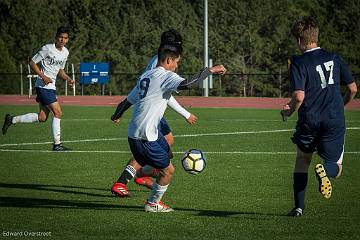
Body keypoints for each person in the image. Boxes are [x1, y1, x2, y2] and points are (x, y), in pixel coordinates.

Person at [114, 42, 225, 212]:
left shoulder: (146, 76)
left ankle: (137, 174)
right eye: (176, 62)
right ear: (168, 61)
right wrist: (210, 70)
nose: (176, 66)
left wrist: (117, 114)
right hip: (145, 136)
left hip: (136, 134)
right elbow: (189, 84)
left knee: (167, 152)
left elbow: (127, 101)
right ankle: (153, 203)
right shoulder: (165, 75)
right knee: (169, 171)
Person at [281, 16, 357, 217]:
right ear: (315, 36)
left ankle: (298, 207)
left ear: (299, 40)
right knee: (336, 168)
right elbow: (353, 89)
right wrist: (341, 106)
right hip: (334, 120)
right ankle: (325, 170)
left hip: (310, 120)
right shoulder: (334, 57)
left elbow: (299, 96)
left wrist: (288, 111)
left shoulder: (297, 61)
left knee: (302, 159)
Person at [110, 29, 195, 197]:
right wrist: (185, 113)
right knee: (152, 147)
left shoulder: (156, 61)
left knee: (167, 142)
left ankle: (142, 174)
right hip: (150, 112)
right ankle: (128, 180)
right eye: (179, 44)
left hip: (146, 110)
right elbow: (165, 93)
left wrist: (118, 112)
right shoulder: (161, 66)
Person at [2, 26, 75, 151]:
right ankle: (57, 145)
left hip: (51, 86)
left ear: (67, 40)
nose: (62, 40)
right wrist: (43, 76)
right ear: (56, 38)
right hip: (43, 85)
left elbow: (60, 70)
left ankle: (12, 120)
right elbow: (32, 62)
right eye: (60, 37)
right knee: (58, 113)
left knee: (42, 117)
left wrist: (68, 79)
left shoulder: (65, 52)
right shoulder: (47, 48)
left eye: (65, 38)